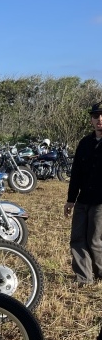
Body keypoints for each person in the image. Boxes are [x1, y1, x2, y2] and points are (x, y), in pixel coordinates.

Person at [64, 102, 102, 286]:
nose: (99, 119)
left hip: (100, 202)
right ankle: (84, 278)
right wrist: (70, 200)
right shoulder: (84, 143)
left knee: (94, 240)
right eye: (96, 116)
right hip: (83, 199)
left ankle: (100, 273)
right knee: (77, 238)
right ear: (91, 120)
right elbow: (76, 173)